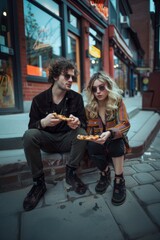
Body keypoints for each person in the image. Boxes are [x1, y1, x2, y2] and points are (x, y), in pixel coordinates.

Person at [23, 58, 87, 211]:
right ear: (56, 76)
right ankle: (39, 184)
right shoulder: (39, 100)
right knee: (29, 135)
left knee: (82, 132)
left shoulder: (76, 98)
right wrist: (43, 123)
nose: (71, 80)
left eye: (73, 77)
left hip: (67, 139)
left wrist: (77, 123)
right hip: (47, 140)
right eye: (67, 76)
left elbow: (84, 123)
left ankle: (71, 173)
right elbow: (32, 126)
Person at [85, 71, 130, 206]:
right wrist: (93, 137)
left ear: (108, 87)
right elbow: (86, 127)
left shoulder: (117, 102)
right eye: (94, 89)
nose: (98, 91)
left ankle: (119, 179)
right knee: (91, 146)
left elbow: (125, 124)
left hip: (114, 140)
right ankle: (105, 174)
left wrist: (110, 133)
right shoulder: (89, 107)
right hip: (99, 142)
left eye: (101, 87)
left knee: (116, 143)